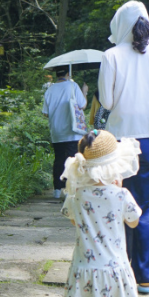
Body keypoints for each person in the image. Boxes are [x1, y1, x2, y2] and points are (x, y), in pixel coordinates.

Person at [98, 1, 149, 294]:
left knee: (118, 205)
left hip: (118, 142)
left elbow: (106, 102)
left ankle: (120, 272)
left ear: (120, 25)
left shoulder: (110, 56)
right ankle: (146, 278)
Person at [60, 130, 142, 297]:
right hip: (115, 267)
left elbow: (72, 219)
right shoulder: (121, 196)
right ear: (114, 167)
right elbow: (134, 221)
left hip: (85, 269)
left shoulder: (77, 196)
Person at [42, 66, 88, 199]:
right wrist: (84, 92)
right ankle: (73, 189)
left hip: (57, 131)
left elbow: (45, 113)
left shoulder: (50, 90)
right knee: (74, 159)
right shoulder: (73, 86)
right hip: (73, 130)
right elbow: (82, 105)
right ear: (68, 73)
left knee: (59, 159)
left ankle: (57, 189)